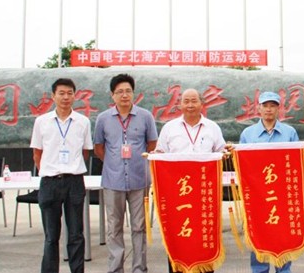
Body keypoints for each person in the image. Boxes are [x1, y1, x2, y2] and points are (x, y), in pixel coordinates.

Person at [155, 88, 228, 273]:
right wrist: (156, 156)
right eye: (186, 101)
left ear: (202, 104)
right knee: (177, 232)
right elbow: (161, 152)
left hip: (204, 193)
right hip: (177, 193)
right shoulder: (169, 128)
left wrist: (226, 152)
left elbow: (221, 151)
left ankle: (205, 268)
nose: (190, 105)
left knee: (204, 232)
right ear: (179, 105)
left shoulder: (212, 127)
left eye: (194, 101)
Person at [94, 74, 158, 273]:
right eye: (119, 92)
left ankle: (139, 268)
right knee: (114, 227)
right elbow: (99, 148)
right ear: (112, 95)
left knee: (139, 227)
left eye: (128, 91)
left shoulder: (145, 116)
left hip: (140, 180)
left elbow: (152, 144)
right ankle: (116, 269)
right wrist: (114, 163)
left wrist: (137, 162)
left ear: (134, 93)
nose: (124, 95)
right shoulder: (103, 119)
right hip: (113, 181)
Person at [30, 78, 93, 273]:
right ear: (53, 96)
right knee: (51, 236)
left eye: (69, 93)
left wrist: (70, 167)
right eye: (61, 93)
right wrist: (50, 170)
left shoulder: (83, 122)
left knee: (76, 234)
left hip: (74, 181)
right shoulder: (41, 122)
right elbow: (37, 153)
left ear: (75, 96)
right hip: (50, 182)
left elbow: (85, 152)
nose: (66, 97)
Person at [240, 91, 299, 273]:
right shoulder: (248, 133)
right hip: (257, 195)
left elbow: (296, 162)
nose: (268, 109)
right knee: (258, 235)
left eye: (272, 106)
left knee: (283, 235)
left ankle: (284, 270)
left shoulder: (289, 132)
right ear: (258, 108)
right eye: (265, 105)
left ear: (279, 109)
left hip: (282, 195)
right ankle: (259, 269)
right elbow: (242, 163)